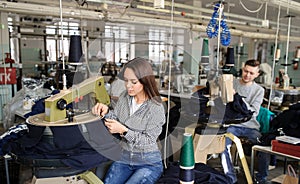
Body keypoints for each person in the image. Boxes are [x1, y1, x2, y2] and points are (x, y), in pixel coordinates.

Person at [92, 57, 165, 184]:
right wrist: (106, 112)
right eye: (126, 81)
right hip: (124, 157)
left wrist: (124, 131)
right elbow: (116, 119)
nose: (128, 86)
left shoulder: (155, 107)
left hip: (148, 162)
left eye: (133, 82)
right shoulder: (124, 97)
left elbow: (148, 140)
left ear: (145, 81)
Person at [220, 59, 265, 184]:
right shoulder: (232, 83)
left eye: (251, 73)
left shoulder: (259, 91)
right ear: (242, 69)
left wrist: (237, 98)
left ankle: (262, 178)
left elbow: (253, 112)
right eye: (246, 71)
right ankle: (230, 177)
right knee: (222, 144)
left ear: (257, 74)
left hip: (251, 126)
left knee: (263, 145)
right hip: (232, 125)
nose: (247, 75)